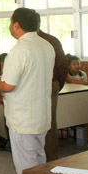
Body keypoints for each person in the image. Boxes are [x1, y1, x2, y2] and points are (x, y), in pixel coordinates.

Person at [0, 7, 55, 174]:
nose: (10, 26)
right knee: (39, 159)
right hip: (41, 115)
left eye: (10, 22)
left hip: (23, 118)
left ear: (17, 25)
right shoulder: (46, 46)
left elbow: (8, 86)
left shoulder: (19, 50)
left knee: (25, 165)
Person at [37, 17, 68, 163]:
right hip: (37, 86)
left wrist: (55, 86)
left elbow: (62, 65)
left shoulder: (50, 41)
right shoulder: (26, 43)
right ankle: (40, 159)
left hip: (48, 85)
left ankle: (50, 160)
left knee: (49, 124)